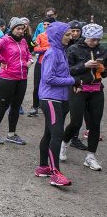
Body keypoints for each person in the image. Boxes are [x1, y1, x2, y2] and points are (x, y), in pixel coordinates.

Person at [60, 24, 106, 171]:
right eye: (93, 39)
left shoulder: (103, 49)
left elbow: (105, 73)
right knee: (75, 122)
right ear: (86, 36)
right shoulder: (74, 49)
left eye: (98, 39)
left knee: (95, 124)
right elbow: (66, 71)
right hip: (78, 89)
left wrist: (103, 70)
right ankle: (64, 144)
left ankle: (90, 157)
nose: (95, 42)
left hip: (97, 90)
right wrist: (84, 65)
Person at [35, 22, 75, 186]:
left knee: (49, 134)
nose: (70, 36)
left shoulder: (61, 51)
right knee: (57, 134)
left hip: (58, 99)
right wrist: (72, 81)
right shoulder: (53, 53)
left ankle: (43, 167)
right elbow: (48, 78)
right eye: (67, 34)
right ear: (58, 36)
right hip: (50, 99)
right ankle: (55, 173)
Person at [0, 17, 34, 145]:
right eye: (18, 29)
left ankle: (11, 134)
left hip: (22, 78)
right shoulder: (5, 40)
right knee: (3, 106)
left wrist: (30, 61)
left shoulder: (23, 41)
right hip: (7, 78)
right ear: (12, 29)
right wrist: (2, 60)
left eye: (22, 29)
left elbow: (28, 53)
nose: (20, 31)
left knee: (16, 107)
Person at [65, 20, 88, 150]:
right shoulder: (65, 42)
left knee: (77, 112)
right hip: (65, 80)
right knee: (64, 109)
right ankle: (57, 134)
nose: (74, 33)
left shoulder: (85, 44)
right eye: (72, 31)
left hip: (78, 81)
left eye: (77, 31)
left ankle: (74, 138)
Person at [29, 17, 55, 117]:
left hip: (52, 64)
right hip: (40, 63)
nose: (46, 26)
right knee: (36, 86)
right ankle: (35, 107)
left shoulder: (57, 36)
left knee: (50, 85)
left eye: (48, 24)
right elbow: (35, 49)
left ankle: (50, 106)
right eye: (44, 24)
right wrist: (48, 48)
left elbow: (58, 47)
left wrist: (43, 49)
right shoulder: (40, 35)